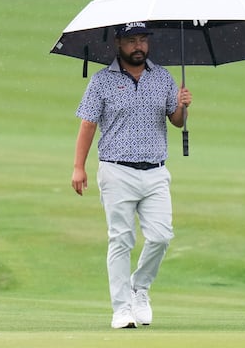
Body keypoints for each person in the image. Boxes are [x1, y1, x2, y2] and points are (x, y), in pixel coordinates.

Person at [71, 22, 192, 329]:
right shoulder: (101, 81)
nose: (138, 46)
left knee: (162, 236)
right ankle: (122, 309)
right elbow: (88, 124)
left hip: (155, 171)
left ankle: (140, 287)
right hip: (116, 170)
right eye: (131, 41)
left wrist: (182, 106)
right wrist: (78, 166)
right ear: (118, 43)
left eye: (142, 40)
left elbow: (176, 121)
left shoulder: (162, 76)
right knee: (121, 240)